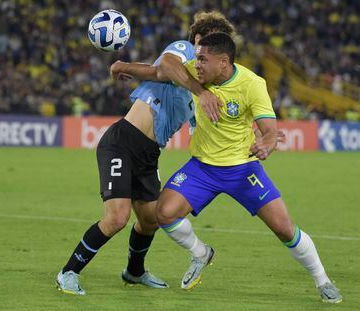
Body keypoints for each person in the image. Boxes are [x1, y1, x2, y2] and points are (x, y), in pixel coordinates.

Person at [56, 11, 236, 296]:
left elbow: (156, 73)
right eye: (210, 39)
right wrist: (200, 92)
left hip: (150, 153)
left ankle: (134, 272)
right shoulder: (185, 51)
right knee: (117, 218)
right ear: (199, 38)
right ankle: (68, 272)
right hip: (123, 142)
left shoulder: (204, 83)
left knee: (150, 218)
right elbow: (164, 64)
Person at [154, 32, 343, 303]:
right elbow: (166, 64)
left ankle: (323, 281)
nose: (197, 65)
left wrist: (266, 145)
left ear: (223, 62)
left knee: (284, 229)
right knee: (165, 213)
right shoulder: (198, 75)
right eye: (197, 59)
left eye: (203, 60)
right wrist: (200, 91)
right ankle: (200, 253)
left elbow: (270, 130)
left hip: (243, 170)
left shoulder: (252, 84)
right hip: (202, 168)